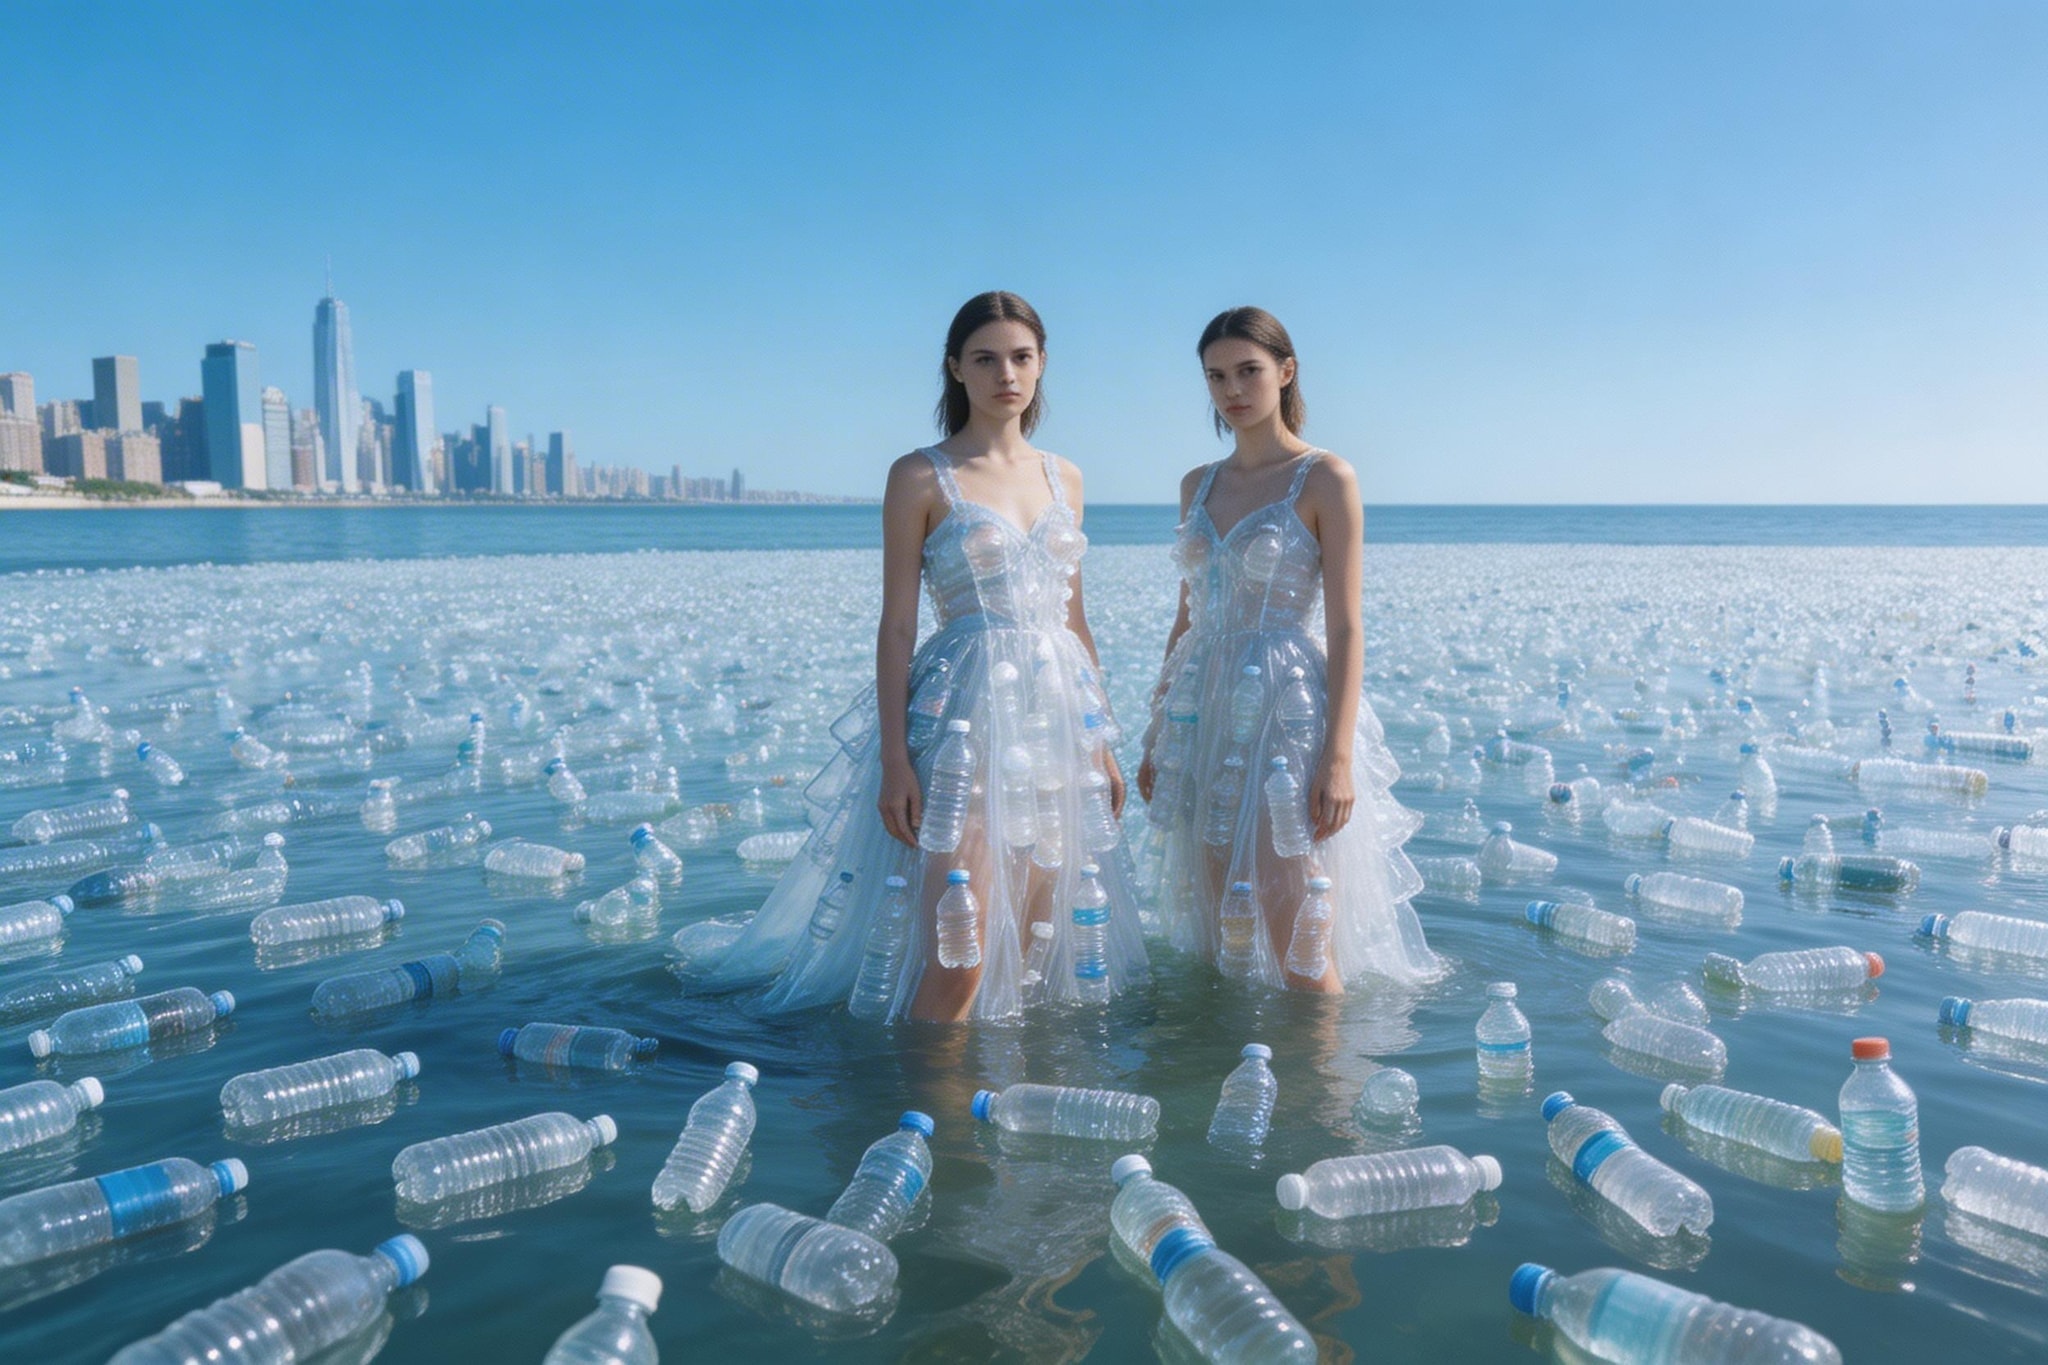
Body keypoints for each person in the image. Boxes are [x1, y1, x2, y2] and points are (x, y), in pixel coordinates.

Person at [683, 291, 1146, 1021]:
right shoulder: (921, 475)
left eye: (1021, 357)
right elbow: (897, 624)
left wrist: (1103, 742)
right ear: (955, 369)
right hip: (963, 721)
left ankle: (989, 1120)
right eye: (985, 358)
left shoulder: (1067, 476)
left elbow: (1073, 619)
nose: (1006, 375)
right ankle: (920, 1121)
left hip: (1056, 719)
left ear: (1042, 364)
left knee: (1033, 950)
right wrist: (896, 759)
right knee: (958, 954)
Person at [1136, 306, 1439, 991]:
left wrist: (1336, 758)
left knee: (1297, 930)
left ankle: (1324, 1094)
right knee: (1222, 929)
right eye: (1216, 377)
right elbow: (1186, 619)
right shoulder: (1198, 484)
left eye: (1249, 371)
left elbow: (1345, 627)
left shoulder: (1326, 477)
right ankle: (1235, 1080)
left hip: (1284, 708)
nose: (1232, 390)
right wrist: (1159, 731)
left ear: (1286, 371)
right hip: (1202, 709)